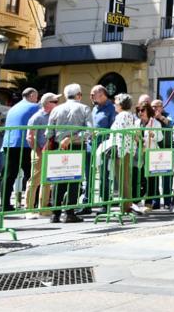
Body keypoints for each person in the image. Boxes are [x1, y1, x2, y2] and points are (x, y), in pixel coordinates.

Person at [46, 84, 91, 223]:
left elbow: (48, 132)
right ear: (79, 95)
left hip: (59, 147)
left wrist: (61, 140)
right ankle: (70, 213)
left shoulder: (56, 109)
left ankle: (55, 213)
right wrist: (72, 138)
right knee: (74, 179)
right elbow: (90, 130)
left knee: (59, 179)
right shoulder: (84, 108)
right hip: (77, 146)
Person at [0, 88, 40, 212]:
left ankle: (4, 204)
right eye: (37, 96)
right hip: (24, 143)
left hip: (9, 142)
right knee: (32, 174)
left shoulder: (13, 108)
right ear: (32, 95)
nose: (37, 99)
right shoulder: (34, 107)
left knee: (9, 175)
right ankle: (34, 202)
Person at [84, 85, 116, 213]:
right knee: (88, 175)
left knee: (104, 175)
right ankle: (87, 203)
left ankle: (105, 203)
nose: (91, 96)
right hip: (90, 145)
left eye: (93, 94)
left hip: (104, 147)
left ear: (102, 94)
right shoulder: (94, 108)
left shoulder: (112, 109)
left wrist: (102, 133)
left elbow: (113, 128)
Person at [27, 93, 59, 218]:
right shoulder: (37, 117)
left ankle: (43, 208)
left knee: (46, 181)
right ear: (47, 103)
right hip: (39, 151)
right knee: (34, 180)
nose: (57, 103)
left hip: (49, 151)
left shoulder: (53, 116)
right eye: (55, 101)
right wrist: (38, 151)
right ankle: (28, 209)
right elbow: (30, 136)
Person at [111, 93, 143, 215]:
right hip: (126, 149)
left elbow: (121, 133)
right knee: (125, 178)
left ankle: (126, 206)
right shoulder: (129, 115)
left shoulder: (122, 115)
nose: (114, 104)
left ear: (120, 104)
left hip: (122, 150)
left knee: (122, 178)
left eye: (116, 102)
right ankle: (127, 204)